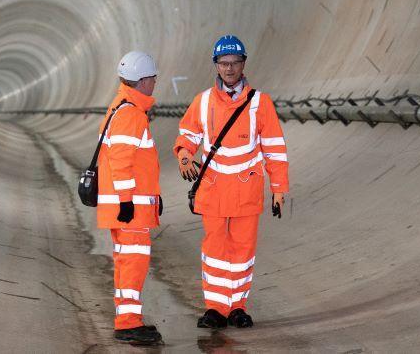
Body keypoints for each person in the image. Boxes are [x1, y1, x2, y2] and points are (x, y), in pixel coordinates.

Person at [174, 35, 289, 329]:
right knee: (214, 249)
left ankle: (238, 307)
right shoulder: (202, 102)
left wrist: (279, 189)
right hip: (213, 189)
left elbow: (274, 149)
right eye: (224, 63)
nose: (229, 69)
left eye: (234, 63)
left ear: (243, 64)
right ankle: (215, 308)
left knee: (242, 250)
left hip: (245, 189)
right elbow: (188, 136)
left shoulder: (259, 103)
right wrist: (185, 155)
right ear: (216, 65)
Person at [97, 51, 163, 345]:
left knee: (127, 263)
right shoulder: (130, 114)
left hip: (130, 204)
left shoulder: (121, 109)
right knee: (134, 263)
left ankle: (127, 320)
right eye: (153, 79)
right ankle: (127, 324)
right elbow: (121, 160)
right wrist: (126, 200)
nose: (154, 83)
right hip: (129, 208)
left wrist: (153, 197)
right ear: (144, 81)